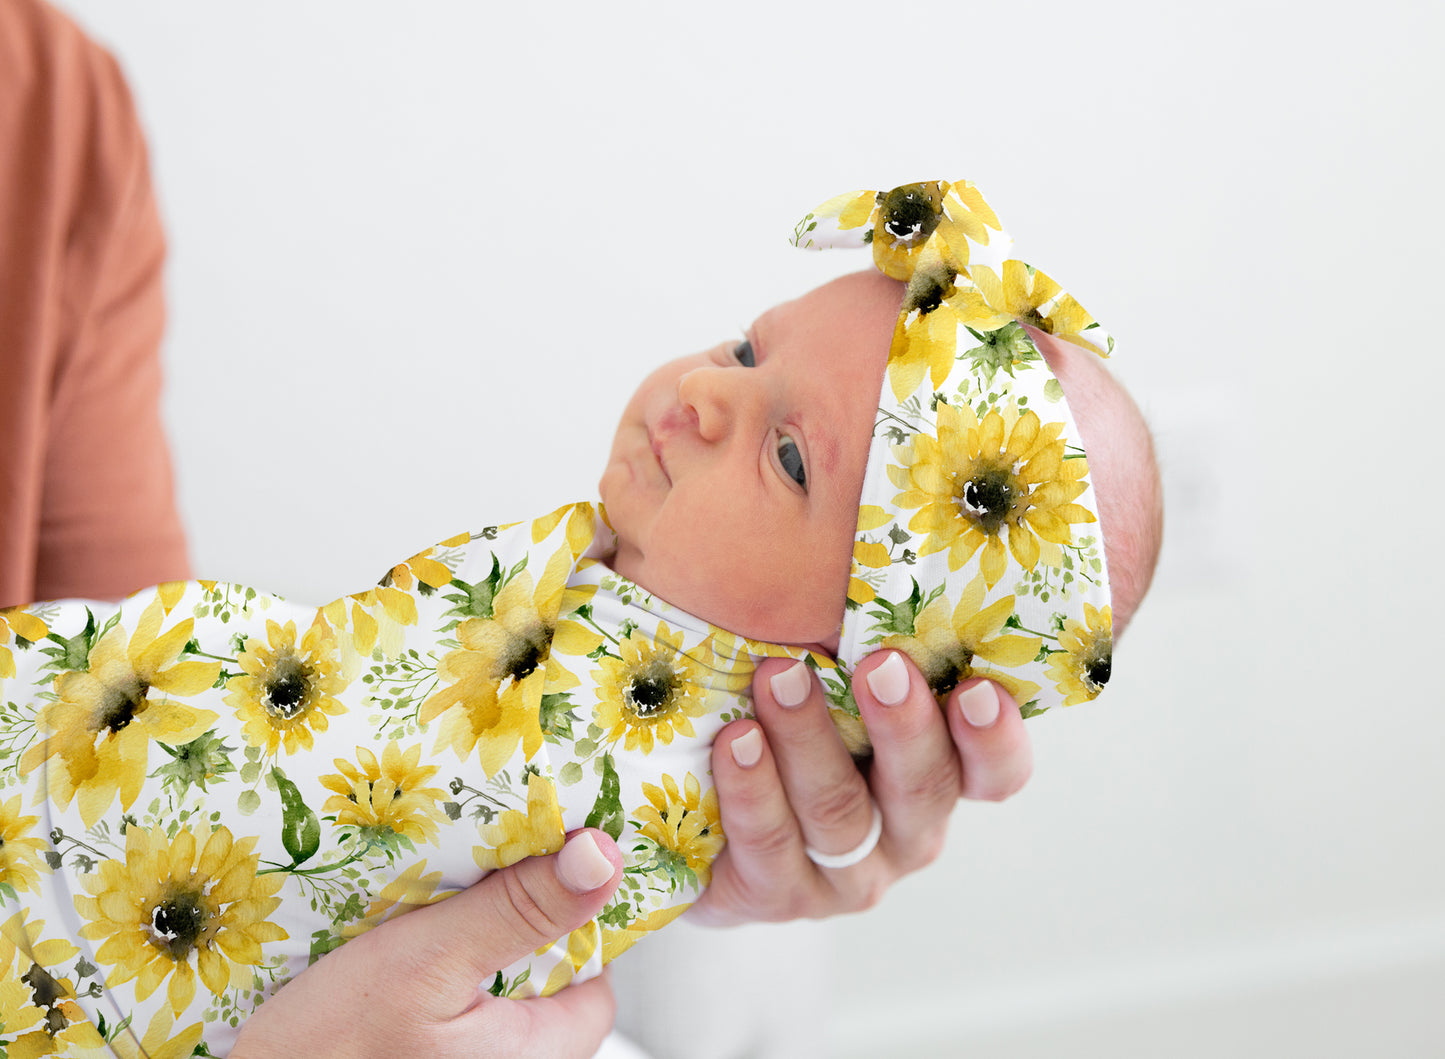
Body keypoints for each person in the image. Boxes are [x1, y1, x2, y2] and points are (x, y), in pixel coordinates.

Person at [0, 172, 1161, 1054]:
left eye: (792, 456)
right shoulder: (591, 594)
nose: (706, 392)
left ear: (868, 660)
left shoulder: (646, 784)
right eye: (749, 349)